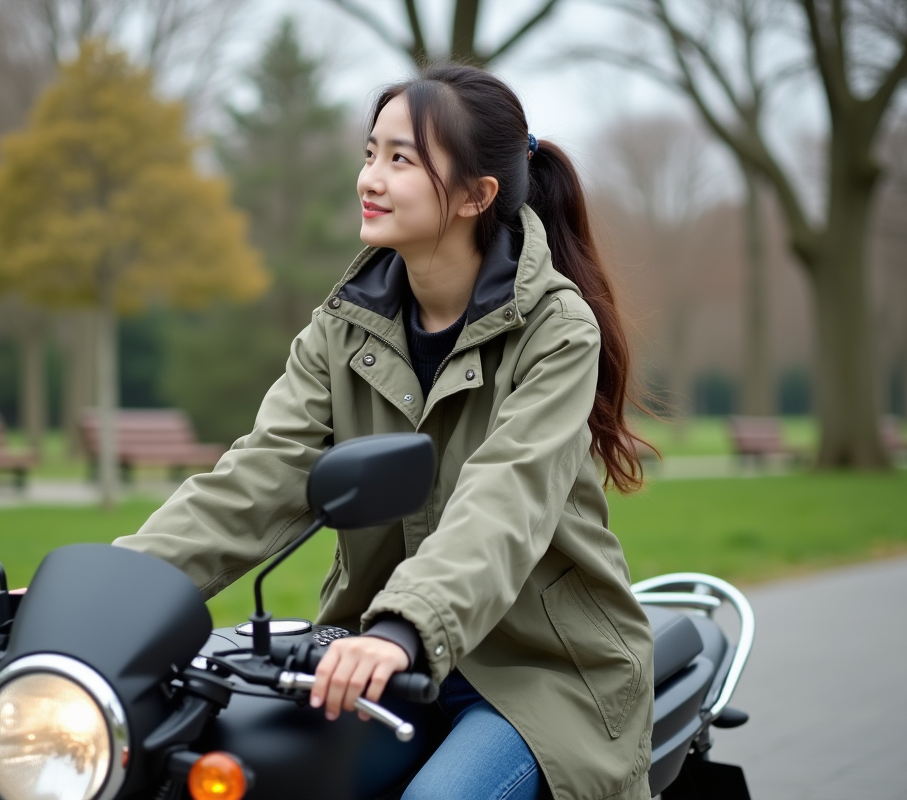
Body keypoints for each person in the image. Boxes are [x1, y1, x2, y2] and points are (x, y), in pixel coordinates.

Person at [114, 63, 656, 800]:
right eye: (371, 153)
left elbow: (506, 500)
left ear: (475, 195)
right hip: (373, 655)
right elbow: (260, 474)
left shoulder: (556, 331)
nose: (370, 177)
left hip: (538, 670)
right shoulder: (342, 327)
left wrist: (403, 626)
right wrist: (108, 589)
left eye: (401, 159)